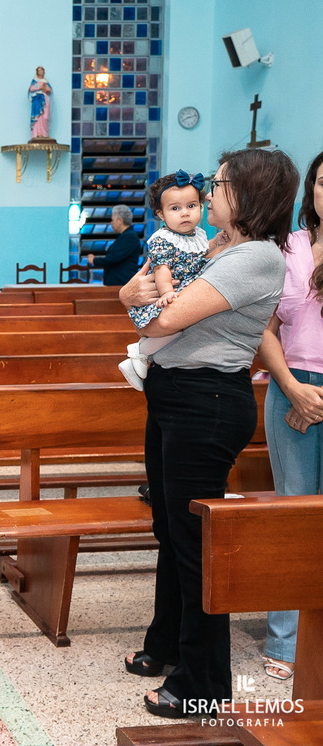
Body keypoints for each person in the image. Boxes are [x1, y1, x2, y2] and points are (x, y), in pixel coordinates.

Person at [118, 148, 297, 719]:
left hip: (208, 401)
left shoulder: (258, 258)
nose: (209, 191)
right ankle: (165, 646)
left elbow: (165, 317)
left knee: (195, 545)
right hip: (172, 392)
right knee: (169, 528)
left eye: (217, 183)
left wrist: (136, 299)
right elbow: (140, 299)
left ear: (247, 194)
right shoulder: (218, 248)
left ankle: (203, 685)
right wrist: (132, 297)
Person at [259, 149, 323, 683]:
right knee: (294, 511)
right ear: (312, 192)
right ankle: (285, 639)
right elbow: (265, 327)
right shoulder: (289, 248)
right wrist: (293, 389)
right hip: (292, 385)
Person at [117, 172, 213, 390]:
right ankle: (140, 352)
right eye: (175, 208)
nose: (185, 214)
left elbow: (202, 255)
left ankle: (140, 356)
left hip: (186, 291)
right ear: (161, 214)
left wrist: (218, 242)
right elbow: (161, 269)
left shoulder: (198, 234)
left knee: (182, 329)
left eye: (191, 205)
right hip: (167, 293)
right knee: (177, 328)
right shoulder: (163, 239)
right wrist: (167, 291)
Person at [88, 204, 144, 286]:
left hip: (122, 283)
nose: (111, 223)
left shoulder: (130, 237)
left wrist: (94, 260)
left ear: (120, 220)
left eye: (112, 220)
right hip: (117, 283)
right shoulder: (125, 236)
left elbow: (114, 258)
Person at [29, 66, 52, 140]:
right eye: (39, 71)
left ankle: (44, 133)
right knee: (38, 116)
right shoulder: (35, 80)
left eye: (41, 70)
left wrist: (45, 88)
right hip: (37, 99)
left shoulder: (45, 81)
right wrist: (39, 88)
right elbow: (31, 88)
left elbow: (50, 90)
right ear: (37, 72)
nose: (40, 72)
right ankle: (37, 133)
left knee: (45, 116)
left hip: (44, 99)